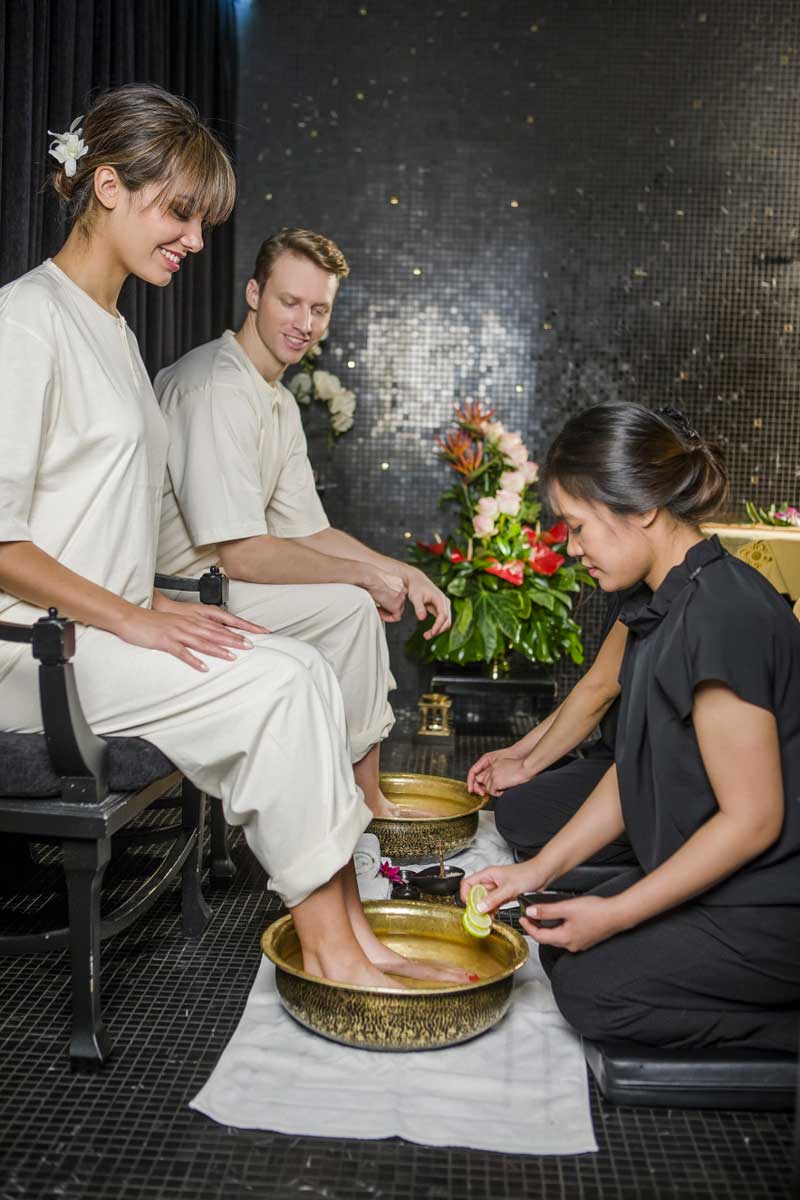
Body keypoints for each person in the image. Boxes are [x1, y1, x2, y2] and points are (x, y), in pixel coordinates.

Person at [0, 83, 465, 989]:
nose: (194, 239)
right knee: (277, 686)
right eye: (179, 212)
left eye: (201, 220)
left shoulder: (111, 330)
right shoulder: (25, 322)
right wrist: (135, 618)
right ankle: (336, 952)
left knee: (298, 670)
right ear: (107, 185)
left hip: (97, 634)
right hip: (32, 653)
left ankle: (355, 933)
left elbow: (94, 522)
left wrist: (147, 606)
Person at [463, 403, 800, 1051]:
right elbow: (635, 769)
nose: (572, 547)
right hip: (730, 888)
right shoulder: (663, 602)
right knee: (559, 941)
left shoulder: (721, 615)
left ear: (642, 507)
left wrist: (616, 912)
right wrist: (536, 871)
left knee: (595, 992)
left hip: (770, 908)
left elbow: (754, 820)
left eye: (578, 526)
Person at [155, 227, 452, 819]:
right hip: (179, 596)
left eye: (319, 309)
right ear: (254, 294)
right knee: (350, 607)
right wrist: (363, 579)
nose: (304, 323)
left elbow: (308, 531)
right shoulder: (216, 386)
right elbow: (243, 554)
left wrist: (404, 573)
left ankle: (342, 800)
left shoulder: (277, 398)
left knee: (354, 601)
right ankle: (361, 804)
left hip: (227, 584)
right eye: (289, 302)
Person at [466, 592, 637, 875]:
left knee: (518, 812)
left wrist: (525, 766)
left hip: (646, 774)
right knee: (520, 787)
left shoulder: (659, 595)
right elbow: (590, 687)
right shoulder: (632, 593)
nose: (576, 558)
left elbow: (600, 692)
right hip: (613, 756)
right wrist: (517, 754)